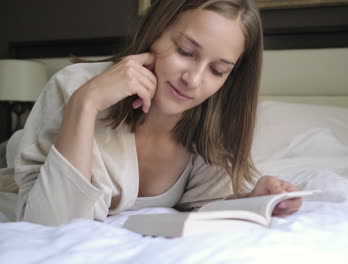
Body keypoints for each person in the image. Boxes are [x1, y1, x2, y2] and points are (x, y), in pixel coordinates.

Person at [6, 0, 301, 226]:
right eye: (185, 51)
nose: (194, 80)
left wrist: (252, 200)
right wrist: (86, 104)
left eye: (217, 70)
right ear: (156, 32)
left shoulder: (210, 117)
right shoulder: (75, 86)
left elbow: (205, 207)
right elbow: (49, 225)